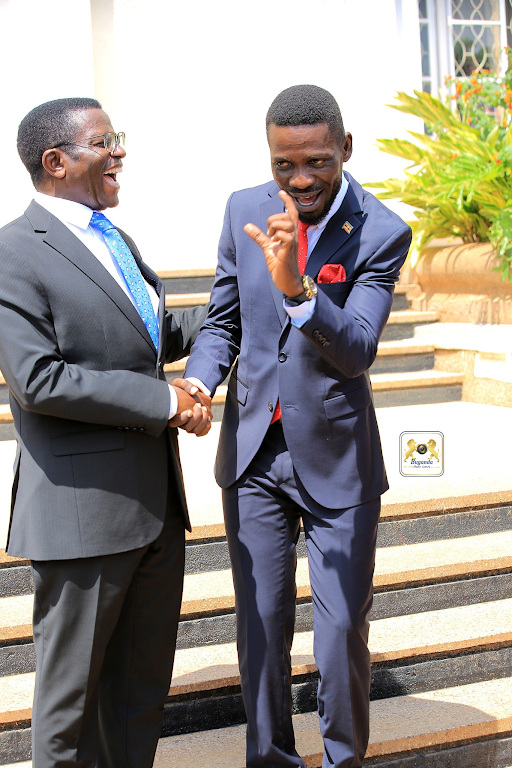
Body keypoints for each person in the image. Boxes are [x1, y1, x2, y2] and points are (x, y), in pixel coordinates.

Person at [185, 84, 412, 767]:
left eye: (317, 161)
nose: (302, 178)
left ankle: (345, 758)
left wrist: (298, 291)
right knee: (260, 627)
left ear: (344, 148)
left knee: (341, 633)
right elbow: (223, 321)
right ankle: (272, 760)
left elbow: (358, 348)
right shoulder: (243, 209)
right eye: (286, 164)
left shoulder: (382, 229)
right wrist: (200, 379)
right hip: (254, 452)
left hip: (337, 456)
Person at [0, 97, 212, 768]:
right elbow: (39, 380)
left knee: (138, 700)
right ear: (56, 161)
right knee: (69, 717)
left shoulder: (114, 238)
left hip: (154, 512)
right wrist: (164, 401)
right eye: (104, 142)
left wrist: (238, 310)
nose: (119, 152)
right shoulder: (11, 252)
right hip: (82, 515)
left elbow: (149, 340)